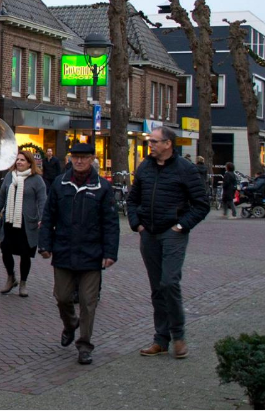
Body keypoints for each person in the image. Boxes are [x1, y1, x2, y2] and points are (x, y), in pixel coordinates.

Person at [127, 126, 209, 360]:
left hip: (172, 233)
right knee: (157, 288)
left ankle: (179, 336)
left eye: (154, 141)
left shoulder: (185, 169)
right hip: (149, 233)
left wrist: (181, 226)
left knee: (169, 282)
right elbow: (132, 200)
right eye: (149, 141)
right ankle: (160, 340)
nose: (150, 144)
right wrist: (137, 224)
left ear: (167, 144)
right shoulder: (145, 167)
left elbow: (201, 204)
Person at [39, 143, 119, 365]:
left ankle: (84, 345)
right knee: (63, 297)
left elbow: (111, 222)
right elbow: (49, 216)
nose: (80, 161)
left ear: (92, 159)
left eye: (84, 158)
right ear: (70, 159)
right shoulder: (60, 184)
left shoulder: (102, 187)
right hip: (64, 250)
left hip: (91, 253)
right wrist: (44, 244)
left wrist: (110, 252)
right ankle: (70, 324)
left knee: (87, 301)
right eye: (76, 157)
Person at [0, 149, 47, 297]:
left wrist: (43, 218)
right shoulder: (10, 176)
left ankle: (23, 283)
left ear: (29, 162)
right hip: (9, 220)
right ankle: (11, 277)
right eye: (17, 160)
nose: (19, 162)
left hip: (26, 223)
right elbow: (2, 196)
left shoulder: (36, 179)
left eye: (22, 160)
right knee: (5, 249)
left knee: (25, 253)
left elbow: (42, 200)